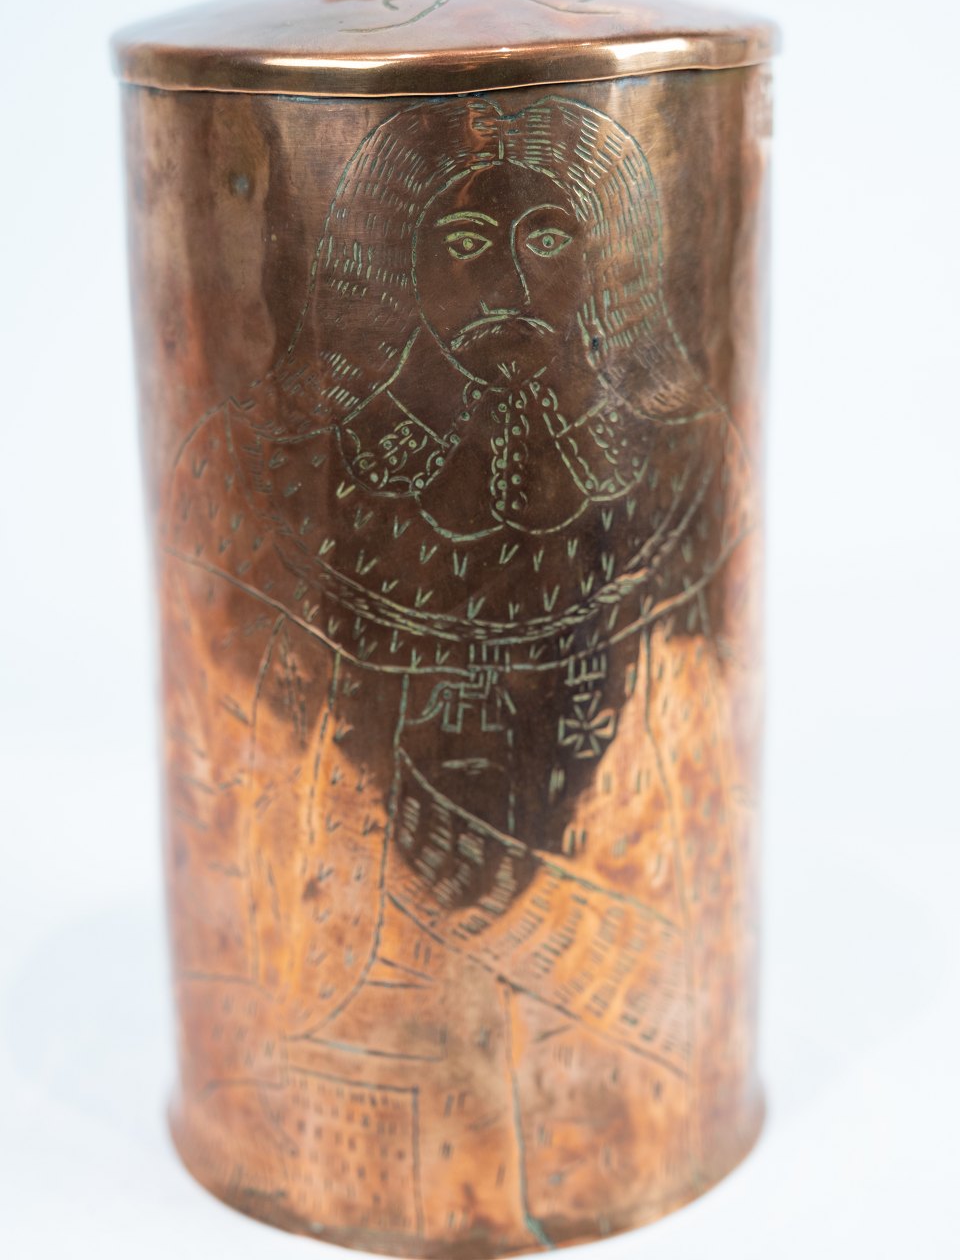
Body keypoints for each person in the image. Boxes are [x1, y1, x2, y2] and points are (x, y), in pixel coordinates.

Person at [162, 95, 760, 1251]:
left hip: (615, 993)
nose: (511, 281)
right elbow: (232, 756)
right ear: (393, 262)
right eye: (469, 238)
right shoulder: (272, 467)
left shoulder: (682, 463)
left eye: (550, 235)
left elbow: (690, 761)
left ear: (609, 262)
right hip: (344, 979)